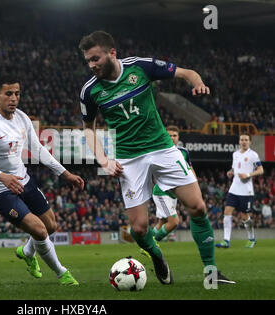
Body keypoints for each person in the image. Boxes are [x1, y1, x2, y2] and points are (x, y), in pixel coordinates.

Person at [78, 30, 234, 284]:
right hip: (128, 159)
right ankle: (156, 254)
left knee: (198, 206)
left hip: (162, 148)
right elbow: (88, 127)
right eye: (88, 61)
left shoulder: (140, 67)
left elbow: (186, 73)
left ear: (112, 53)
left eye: (95, 58)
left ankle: (211, 272)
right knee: (138, 229)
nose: (91, 65)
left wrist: (197, 83)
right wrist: (104, 160)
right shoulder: (90, 91)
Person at [0, 74, 84, 285]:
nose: (14, 98)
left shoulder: (22, 118)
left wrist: (64, 173)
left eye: (17, 94)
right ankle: (62, 273)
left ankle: (27, 252)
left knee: (51, 226)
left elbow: (38, 149)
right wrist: (1, 176)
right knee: (39, 230)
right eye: (9, 94)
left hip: (23, 180)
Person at [216, 134, 264, 249]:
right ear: (239, 141)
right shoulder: (235, 154)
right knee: (227, 212)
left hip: (246, 191)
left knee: (245, 217)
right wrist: (231, 171)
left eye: (246, 140)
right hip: (234, 189)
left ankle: (251, 238)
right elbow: (235, 167)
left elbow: (260, 170)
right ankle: (226, 240)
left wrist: (248, 174)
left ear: (250, 142)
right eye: (242, 140)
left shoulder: (253, 155)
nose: (244, 142)